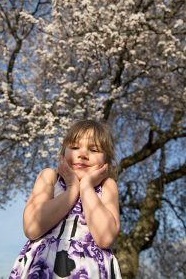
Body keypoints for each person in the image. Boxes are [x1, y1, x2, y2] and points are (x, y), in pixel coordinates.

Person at [9, 119, 122, 278]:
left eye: (94, 149)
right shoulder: (49, 177)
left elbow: (105, 238)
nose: (82, 154)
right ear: (63, 153)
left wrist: (87, 187)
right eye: (75, 147)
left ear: (106, 161)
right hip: (43, 267)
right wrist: (72, 188)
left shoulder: (107, 186)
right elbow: (32, 228)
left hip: (91, 270)